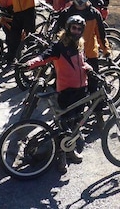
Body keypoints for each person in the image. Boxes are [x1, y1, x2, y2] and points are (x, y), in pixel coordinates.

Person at [24, 15, 93, 165]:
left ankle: (70, 151)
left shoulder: (79, 45)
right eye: (73, 28)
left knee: (75, 122)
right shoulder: (59, 46)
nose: (76, 31)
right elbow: (44, 56)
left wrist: (88, 68)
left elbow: (81, 63)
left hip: (81, 89)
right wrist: (29, 63)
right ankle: (61, 157)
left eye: (79, 29)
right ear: (68, 28)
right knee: (64, 125)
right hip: (67, 91)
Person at [59, 0, 109, 127]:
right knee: (72, 89)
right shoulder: (66, 13)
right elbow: (58, 34)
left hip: (90, 55)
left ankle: (98, 113)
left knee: (95, 87)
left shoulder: (94, 13)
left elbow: (101, 34)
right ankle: (72, 119)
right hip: (71, 57)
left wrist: (106, 50)